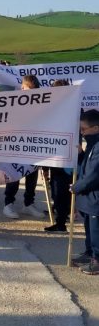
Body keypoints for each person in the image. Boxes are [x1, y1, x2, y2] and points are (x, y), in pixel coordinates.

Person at [3, 75, 44, 220]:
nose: (22, 89)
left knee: (32, 175)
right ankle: (8, 203)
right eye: (23, 87)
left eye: (25, 87)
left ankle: (28, 203)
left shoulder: (41, 102)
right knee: (14, 174)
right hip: (16, 145)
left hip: (33, 145)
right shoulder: (16, 102)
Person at [71, 109, 99, 275]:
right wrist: (81, 156)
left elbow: (93, 175)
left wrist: (77, 187)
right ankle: (90, 254)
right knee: (89, 229)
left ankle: (97, 259)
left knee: (96, 231)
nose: (81, 133)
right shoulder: (92, 144)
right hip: (89, 199)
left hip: (95, 198)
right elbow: (86, 167)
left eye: (83, 129)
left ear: (95, 128)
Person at [43, 79, 73, 233]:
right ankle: (61, 215)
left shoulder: (70, 109)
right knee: (57, 189)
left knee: (60, 190)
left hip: (64, 158)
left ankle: (61, 222)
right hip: (56, 155)